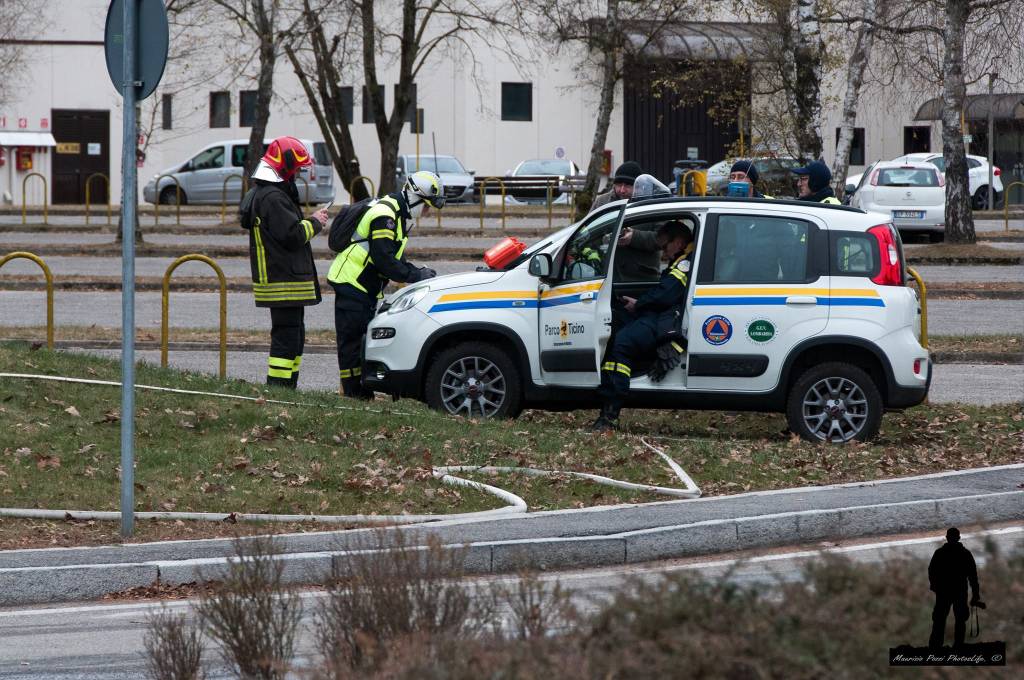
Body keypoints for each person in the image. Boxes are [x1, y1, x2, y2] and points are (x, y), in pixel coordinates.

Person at [327, 171, 444, 399]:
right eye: (427, 206)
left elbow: (392, 256)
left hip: (362, 285)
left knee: (360, 340)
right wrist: (417, 275)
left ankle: (358, 391)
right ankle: (354, 395)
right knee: (351, 342)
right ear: (415, 196)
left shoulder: (396, 214)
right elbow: (385, 261)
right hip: (352, 282)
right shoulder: (385, 215)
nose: (427, 212)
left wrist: (416, 271)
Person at [241, 136, 328, 389]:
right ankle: (279, 388)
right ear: (285, 167)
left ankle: (287, 386)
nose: (299, 174)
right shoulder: (274, 199)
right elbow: (292, 236)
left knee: (294, 335)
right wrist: (315, 222)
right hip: (283, 281)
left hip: (283, 280)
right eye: (297, 169)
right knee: (287, 336)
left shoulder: (268, 194)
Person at [592, 220, 694, 431]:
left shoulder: (685, 263)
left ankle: (611, 413)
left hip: (665, 318)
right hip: (661, 314)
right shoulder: (681, 259)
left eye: (665, 246)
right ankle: (607, 394)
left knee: (622, 343)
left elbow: (665, 294)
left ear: (680, 242)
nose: (663, 253)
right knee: (615, 322)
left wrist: (639, 304)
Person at [928, 527, 982, 649]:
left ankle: (935, 647)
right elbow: (973, 576)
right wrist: (975, 593)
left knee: (939, 620)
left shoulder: (939, 553)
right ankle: (958, 646)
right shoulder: (965, 554)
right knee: (960, 620)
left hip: (943, 592)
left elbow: (932, 572)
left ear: (947, 538)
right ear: (959, 538)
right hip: (960, 592)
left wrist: (935, 587)